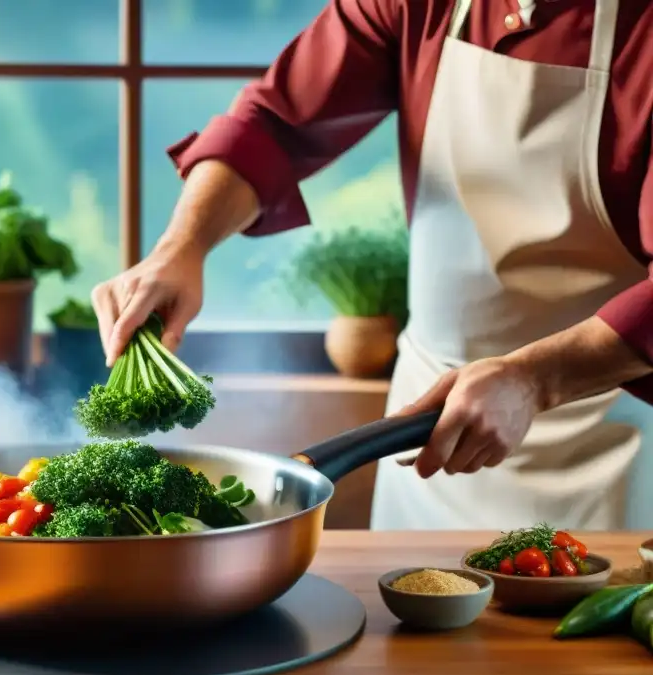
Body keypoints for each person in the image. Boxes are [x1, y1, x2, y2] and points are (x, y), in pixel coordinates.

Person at [90, 0, 653, 531]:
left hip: (599, 436)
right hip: (423, 436)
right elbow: (276, 125)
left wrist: (534, 380)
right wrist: (182, 247)